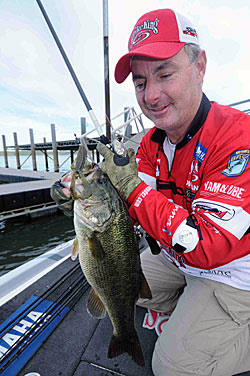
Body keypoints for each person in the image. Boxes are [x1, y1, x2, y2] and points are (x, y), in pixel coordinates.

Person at [51, 8, 250, 376]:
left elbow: (208, 245)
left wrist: (129, 187)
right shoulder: (150, 144)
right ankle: (192, 308)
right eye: (141, 82)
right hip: (178, 260)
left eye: (165, 74)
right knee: (121, 291)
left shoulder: (239, 138)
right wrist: (74, 193)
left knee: (172, 366)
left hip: (229, 271)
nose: (152, 95)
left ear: (200, 66)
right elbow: (120, 202)